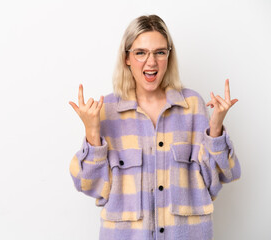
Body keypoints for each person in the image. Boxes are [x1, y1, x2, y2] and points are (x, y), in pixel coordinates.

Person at [68, 15, 241, 240]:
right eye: (141, 52)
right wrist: (92, 133)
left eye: (160, 52)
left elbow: (217, 180)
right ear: (127, 58)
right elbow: (88, 186)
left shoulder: (192, 106)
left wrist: (216, 127)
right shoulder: (105, 111)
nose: (151, 62)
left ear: (169, 56)